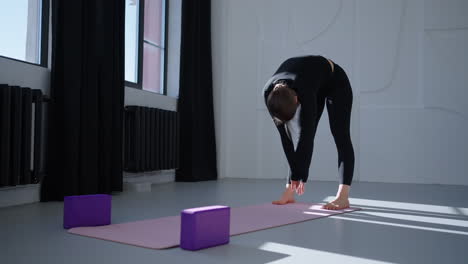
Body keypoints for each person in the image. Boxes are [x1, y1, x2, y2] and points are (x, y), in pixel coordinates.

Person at [263, 55, 355, 210]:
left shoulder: (304, 91)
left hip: (335, 81)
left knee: (341, 135)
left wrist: (302, 174)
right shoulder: (268, 94)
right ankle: (289, 192)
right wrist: (294, 176)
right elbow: (286, 139)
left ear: (297, 100)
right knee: (293, 137)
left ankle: (343, 196)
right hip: (312, 79)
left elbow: (306, 134)